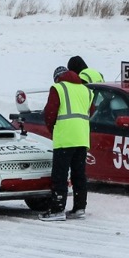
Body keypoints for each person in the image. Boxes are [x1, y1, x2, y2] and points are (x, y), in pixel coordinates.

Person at [39, 66, 93, 221]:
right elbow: (91, 110)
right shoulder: (86, 90)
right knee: (79, 174)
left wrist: (52, 129)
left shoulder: (58, 88)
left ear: (57, 77)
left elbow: (50, 113)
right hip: (82, 138)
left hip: (65, 138)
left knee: (60, 175)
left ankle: (57, 209)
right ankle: (79, 208)